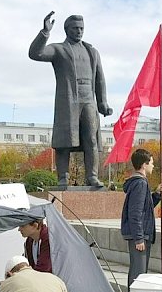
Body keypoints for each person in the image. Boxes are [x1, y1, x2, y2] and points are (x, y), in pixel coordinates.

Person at [29, 11, 112, 187]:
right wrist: (45, 32)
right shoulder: (59, 49)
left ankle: (92, 176)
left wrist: (102, 102)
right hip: (68, 100)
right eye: (75, 28)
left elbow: (100, 78)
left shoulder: (92, 51)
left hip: (88, 100)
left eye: (81, 28)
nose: (79, 31)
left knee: (91, 138)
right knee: (65, 140)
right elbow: (36, 53)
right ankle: (63, 177)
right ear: (67, 30)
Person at [122, 149, 162, 292]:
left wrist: (156, 195)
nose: (153, 165)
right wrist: (139, 237)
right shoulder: (139, 183)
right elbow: (135, 212)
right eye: (152, 162)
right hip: (139, 236)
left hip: (142, 234)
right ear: (144, 164)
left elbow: (145, 208)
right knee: (138, 274)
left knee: (141, 273)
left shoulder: (140, 183)